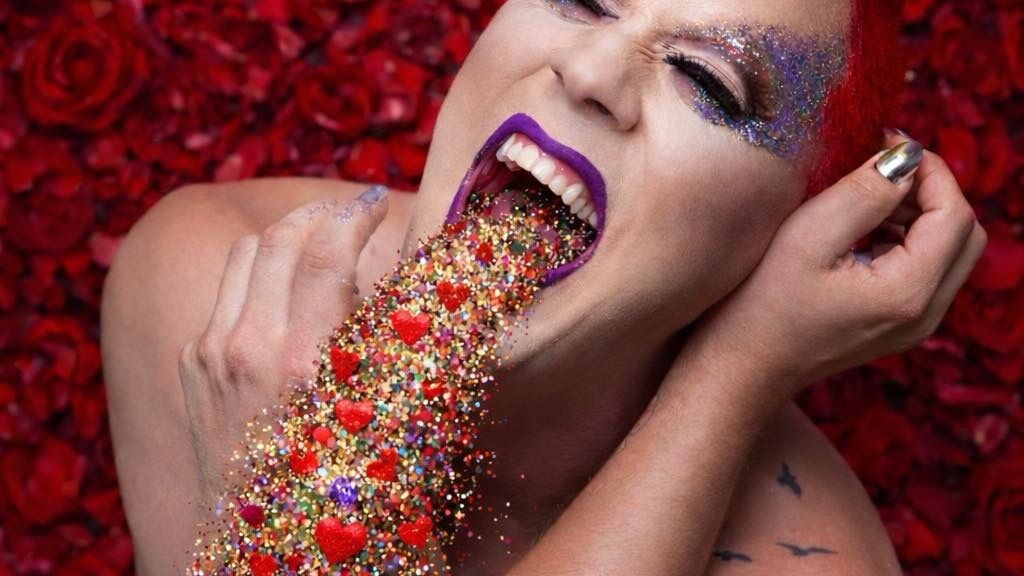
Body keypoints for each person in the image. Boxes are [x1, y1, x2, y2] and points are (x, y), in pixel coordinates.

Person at [100, 0, 988, 574]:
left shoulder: (810, 558)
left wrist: (737, 369)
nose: (591, 71)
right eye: (583, 0)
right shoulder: (220, 294)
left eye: (706, 79)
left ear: (805, 219)